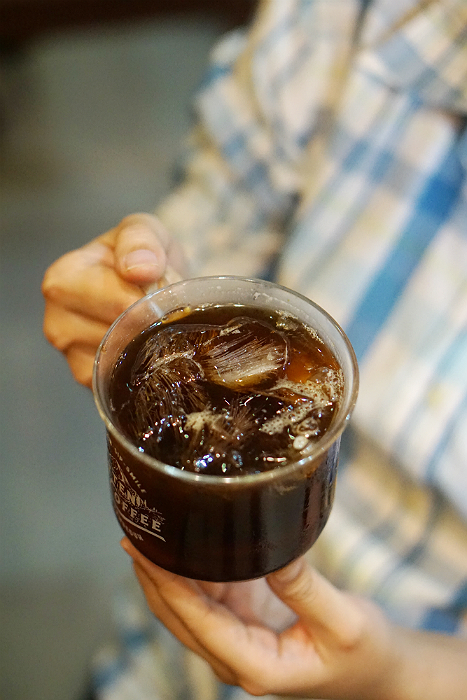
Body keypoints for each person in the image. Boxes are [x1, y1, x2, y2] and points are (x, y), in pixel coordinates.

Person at [42, 0, 467, 698]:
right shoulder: (336, 20)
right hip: (166, 644)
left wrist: (397, 673)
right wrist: (136, 276)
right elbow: (207, 242)